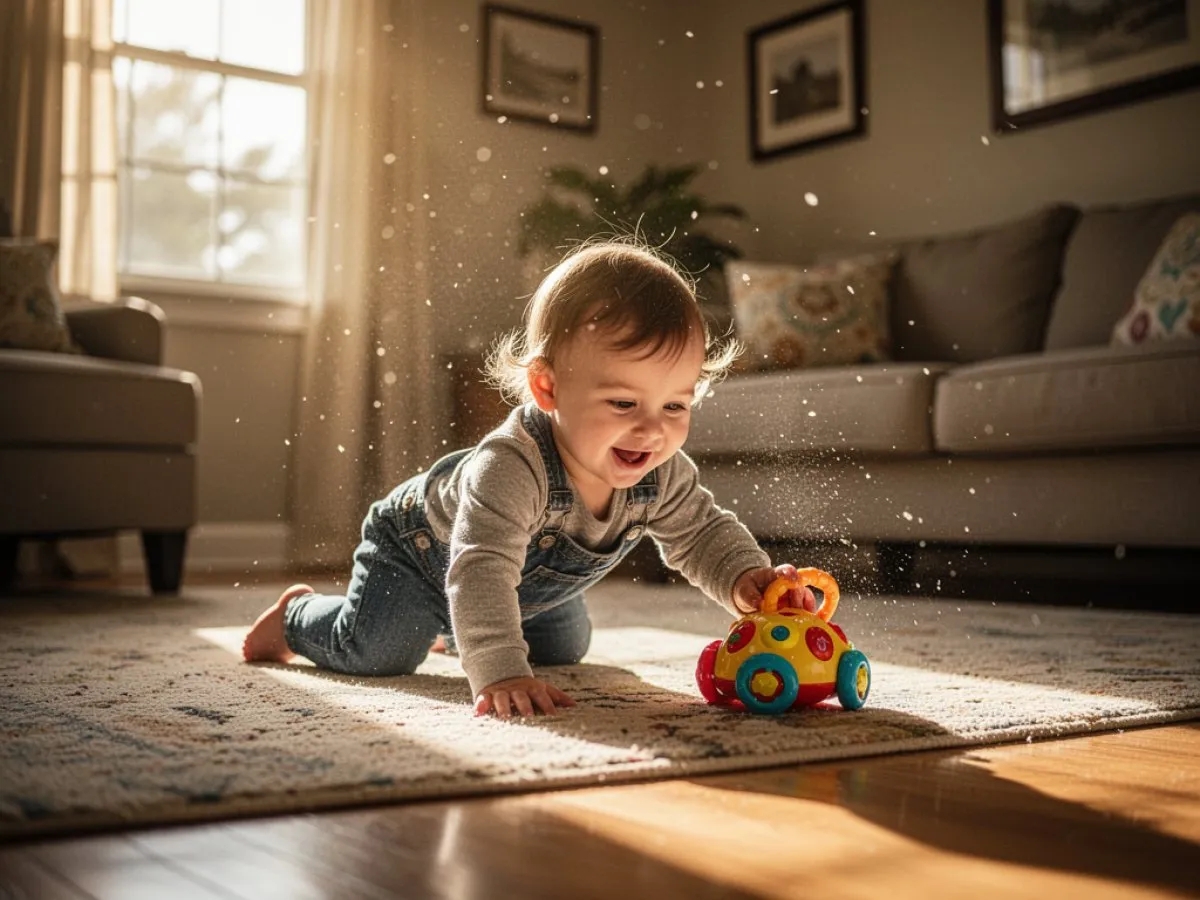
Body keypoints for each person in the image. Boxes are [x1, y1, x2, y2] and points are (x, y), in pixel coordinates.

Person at [243, 239, 815, 717]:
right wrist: (497, 672)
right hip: (421, 552)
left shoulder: (662, 473)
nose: (651, 431)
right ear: (548, 389)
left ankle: (463, 630)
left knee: (565, 648)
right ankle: (296, 617)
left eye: (674, 407)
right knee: (377, 651)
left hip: (518, 586)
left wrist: (747, 579)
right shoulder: (511, 468)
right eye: (622, 402)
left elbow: (703, 533)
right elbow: (481, 567)